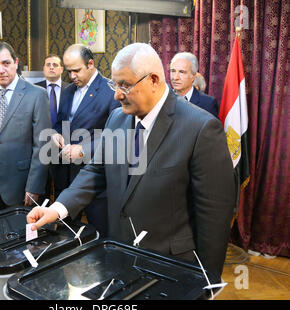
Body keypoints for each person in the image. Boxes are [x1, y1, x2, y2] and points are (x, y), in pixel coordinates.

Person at [27, 43, 236, 282]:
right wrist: (57, 208)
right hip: (120, 256)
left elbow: (214, 217)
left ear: (154, 80)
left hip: (171, 267)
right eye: (115, 85)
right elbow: (96, 172)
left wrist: (206, 282)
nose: (116, 94)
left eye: (125, 85)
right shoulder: (117, 118)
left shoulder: (201, 128)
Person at [0, 41, 51, 213]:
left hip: (23, 188)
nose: (0, 70)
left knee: (25, 239)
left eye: (5, 63)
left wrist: (35, 186)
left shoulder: (37, 95)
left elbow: (43, 146)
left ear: (16, 62)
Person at [51, 44, 120, 237]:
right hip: (65, 176)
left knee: (100, 236)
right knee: (65, 238)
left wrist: (83, 150)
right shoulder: (67, 92)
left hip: (96, 181)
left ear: (91, 64)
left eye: (76, 70)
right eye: (68, 71)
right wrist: (56, 134)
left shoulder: (110, 91)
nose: (72, 76)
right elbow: (60, 123)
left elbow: (115, 135)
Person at [170, 52, 219, 118]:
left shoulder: (208, 103)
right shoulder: (162, 99)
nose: (175, 77)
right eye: (173, 71)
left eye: (182, 72)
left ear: (193, 76)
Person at [35, 54, 69, 128]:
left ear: (62, 69)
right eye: (48, 65)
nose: (51, 67)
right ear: (44, 69)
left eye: (55, 65)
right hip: (40, 134)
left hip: (65, 135)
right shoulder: (34, 89)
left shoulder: (71, 89)